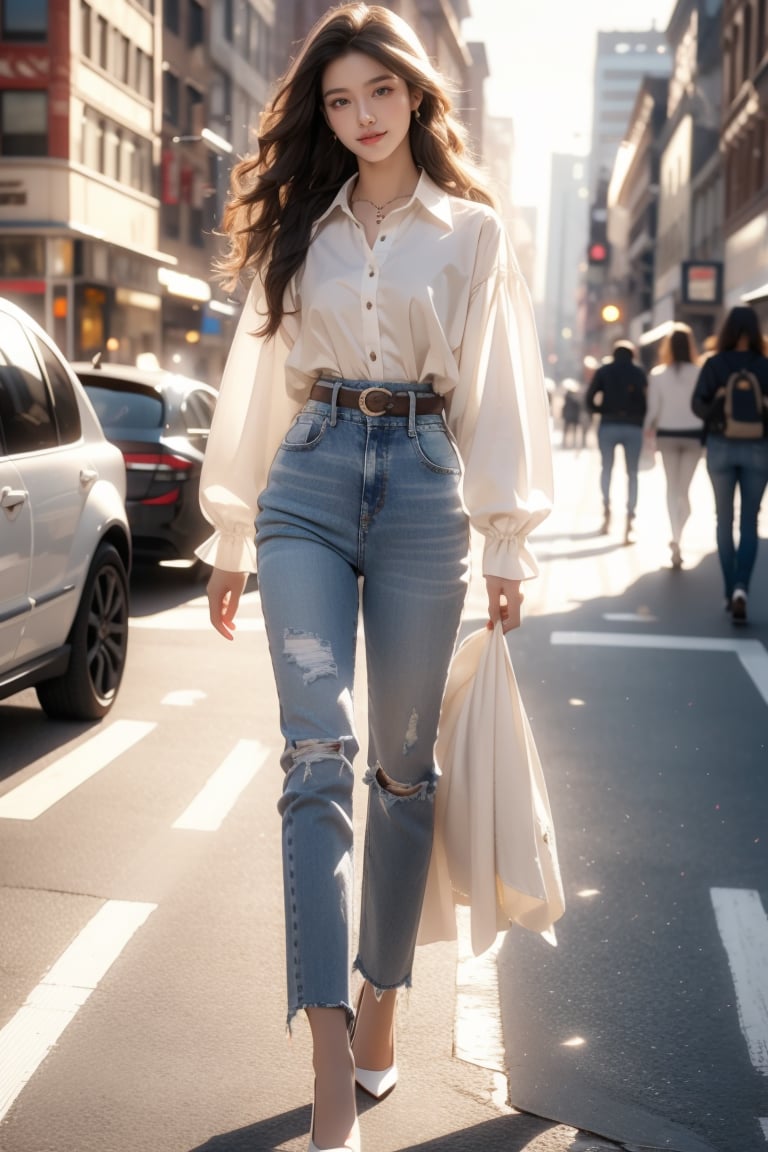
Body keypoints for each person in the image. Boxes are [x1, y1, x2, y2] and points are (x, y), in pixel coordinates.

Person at [194, 6, 553, 1151]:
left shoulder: (475, 234)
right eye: (338, 101)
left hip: (422, 487)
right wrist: (233, 531)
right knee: (317, 757)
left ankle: (387, 994)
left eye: (378, 95)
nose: (358, 119)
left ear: (417, 95)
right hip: (305, 480)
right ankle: (334, 1050)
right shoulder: (302, 228)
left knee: (404, 774)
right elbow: (253, 381)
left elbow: (498, 392)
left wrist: (507, 540)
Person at [692, 305, 768, 623]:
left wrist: (720, 403)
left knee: (723, 520)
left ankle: (728, 593)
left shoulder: (715, 364)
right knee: (749, 522)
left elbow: (697, 406)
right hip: (758, 448)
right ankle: (741, 588)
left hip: (721, 446)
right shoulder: (765, 366)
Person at [643, 323, 704, 569]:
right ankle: (679, 536)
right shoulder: (699, 373)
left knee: (671, 488)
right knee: (685, 491)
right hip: (693, 435)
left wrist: (646, 431)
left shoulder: (658, 374)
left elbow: (652, 411)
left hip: (667, 435)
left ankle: (674, 535)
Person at [586, 338, 648, 542]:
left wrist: (601, 410)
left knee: (606, 469)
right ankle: (630, 519)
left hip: (609, 424)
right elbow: (647, 401)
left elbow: (589, 398)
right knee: (632, 473)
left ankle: (607, 510)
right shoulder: (639, 373)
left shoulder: (604, 371)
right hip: (633, 426)